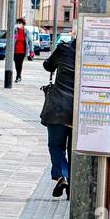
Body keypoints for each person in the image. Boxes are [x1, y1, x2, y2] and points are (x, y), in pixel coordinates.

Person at [41, 29, 76, 198]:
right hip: (79, 111)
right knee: (74, 149)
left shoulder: (64, 48)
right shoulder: (93, 55)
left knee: (55, 145)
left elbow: (48, 65)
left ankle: (63, 175)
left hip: (58, 108)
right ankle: (72, 183)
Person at [13, 17, 29, 82]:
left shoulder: (26, 31)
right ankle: (18, 75)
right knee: (16, 64)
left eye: (20, 23)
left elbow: (29, 41)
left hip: (22, 51)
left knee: (20, 64)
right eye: (18, 23)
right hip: (15, 51)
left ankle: (18, 76)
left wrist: (31, 51)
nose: (18, 24)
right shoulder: (14, 31)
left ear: (23, 24)